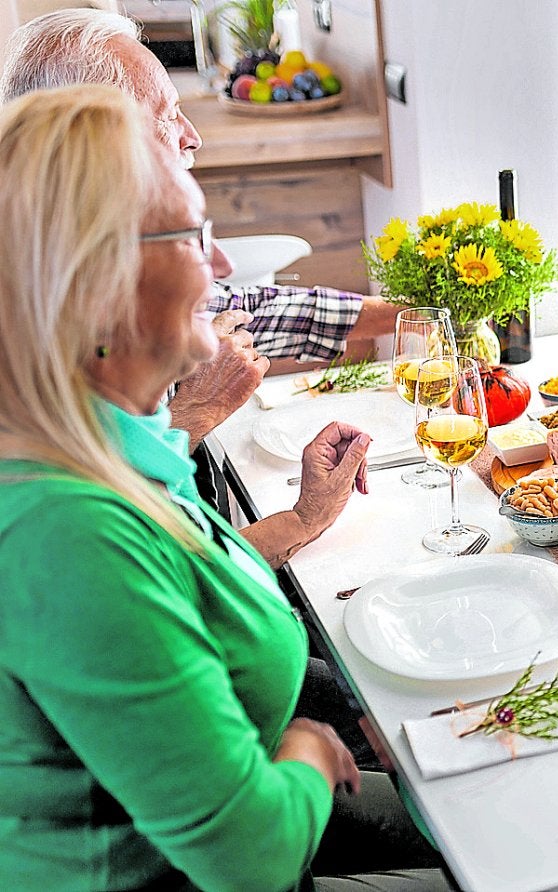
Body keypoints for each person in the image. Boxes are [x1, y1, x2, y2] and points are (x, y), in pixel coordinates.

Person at [0, 84, 447, 890]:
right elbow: (252, 856)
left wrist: (304, 517)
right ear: (98, 280)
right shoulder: (65, 529)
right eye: (194, 234)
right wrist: (307, 745)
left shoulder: (109, 446)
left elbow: (173, 590)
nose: (225, 264)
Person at [0, 8, 402, 446]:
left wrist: (404, 314)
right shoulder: (35, 320)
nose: (192, 136)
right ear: (97, 131)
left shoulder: (95, 243)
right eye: (168, 114)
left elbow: (238, 310)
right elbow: (99, 503)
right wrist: (197, 409)